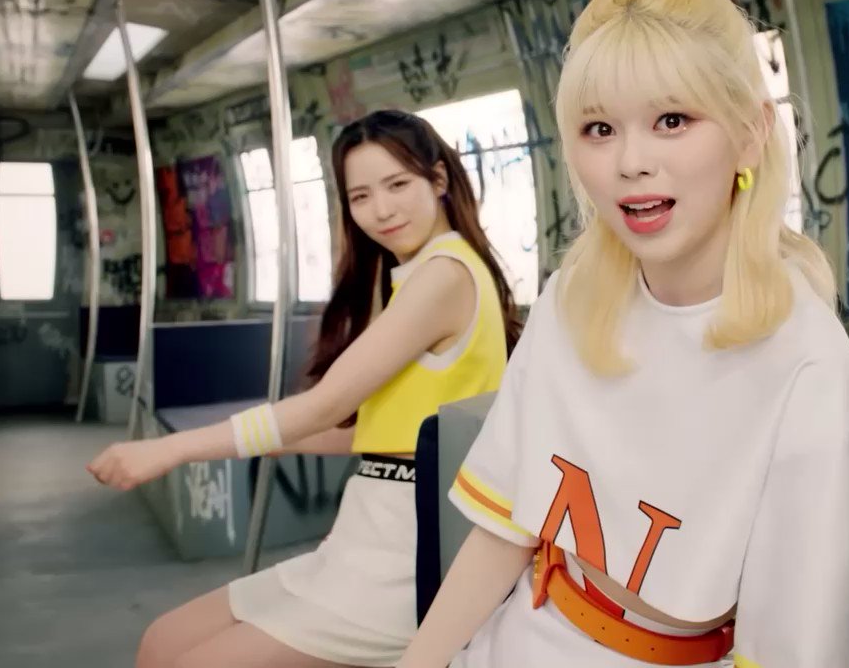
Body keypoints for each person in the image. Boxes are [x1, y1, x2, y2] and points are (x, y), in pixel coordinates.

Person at [396, 0, 849, 668]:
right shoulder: (571, 300)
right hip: (520, 635)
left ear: (751, 135)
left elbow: (791, 643)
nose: (631, 163)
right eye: (599, 128)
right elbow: (509, 523)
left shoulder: (807, 366)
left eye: (672, 121)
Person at [87, 109, 522, 668]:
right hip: (361, 537)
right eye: (361, 195)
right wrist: (269, 437)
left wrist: (170, 449)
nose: (381, 209)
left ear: (438, 180)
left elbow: (327, 406)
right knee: (162, 641)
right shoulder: (414, 277)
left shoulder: (444, 274)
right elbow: (368, 434)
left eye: (397, 184)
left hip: (400, 551)